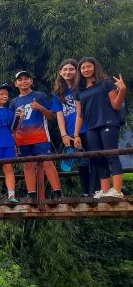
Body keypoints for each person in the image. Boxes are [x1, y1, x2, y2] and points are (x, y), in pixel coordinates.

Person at [74, 57, 127, 198]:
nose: (86, 70)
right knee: (98, 158)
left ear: (95, 67)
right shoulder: (79, 91)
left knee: (111, 155)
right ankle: (104, 191)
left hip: (108, 123)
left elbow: (116, 105)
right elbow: (79, 115)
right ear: (80, 70)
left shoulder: (106, 83)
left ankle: (117, 190)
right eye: (83, 68)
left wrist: (122, 89)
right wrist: (76, 134)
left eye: (88, 66)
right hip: (91, 127)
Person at [9, 71, 63, 201]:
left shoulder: (39, 96)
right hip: (22, 139)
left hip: (40, 137)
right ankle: (31, 195)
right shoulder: (14, 102)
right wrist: (14, 142)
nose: (23, 81)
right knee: (28, 166)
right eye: (20, 80)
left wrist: (40, 108)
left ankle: (57, 193)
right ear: (16, 84)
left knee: (47, 163)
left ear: (31, 81)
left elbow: (52, 116)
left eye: (26, 79)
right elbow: (12, 126)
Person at [52, 59, 93, 197]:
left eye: (71, 69)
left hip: (88, 128)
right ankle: (86, 192)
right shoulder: (58, 92)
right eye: (65, 69)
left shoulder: (82, 86)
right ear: (60, 72)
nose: (68, 72)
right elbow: (59, 115)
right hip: (71, 132)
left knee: (93, 158)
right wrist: (64, 134)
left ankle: (97, 190)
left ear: (77, 71)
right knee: (81, 161)